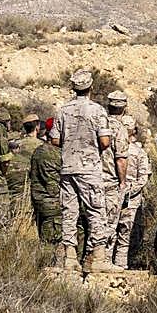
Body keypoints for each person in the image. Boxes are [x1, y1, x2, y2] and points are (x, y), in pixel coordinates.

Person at [51, 70, 116, 274]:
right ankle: (98, 256)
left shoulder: (63, 110)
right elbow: (104, 141)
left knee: (69, 212)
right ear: (91, 87)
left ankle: (69, 257)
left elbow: (54, 139)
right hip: (89, 168)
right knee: (96, 211)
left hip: (68, 167)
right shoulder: (97, 110)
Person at [110, 116, 151, 269]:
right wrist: (131, 191)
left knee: (110, 229)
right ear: (134, 130)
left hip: (115, 194)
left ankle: (108, 260)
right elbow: (144, 177)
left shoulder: (111, 149)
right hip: (130, 197)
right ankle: (121, 263)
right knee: (125, 232)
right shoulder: (139, 152)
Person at [100, 91, 131, 263]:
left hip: (91, 179)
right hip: (110, 182)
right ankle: (103, 261)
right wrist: (123, 182)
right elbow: (121, 159)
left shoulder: (98, 123)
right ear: (124, 108)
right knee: (110, 223)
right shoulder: (120, 129)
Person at [28, 118, 63, 259]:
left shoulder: (38, 151)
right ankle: (47, 271)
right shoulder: (57, 153)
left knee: (43, 238)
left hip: (38, 201)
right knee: (51, 243)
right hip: (53, 204)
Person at [4, 112, 41, 220]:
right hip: (29, 184)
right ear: (37, 127)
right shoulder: (40, 145)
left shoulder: (16, 143)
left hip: (12, 182)